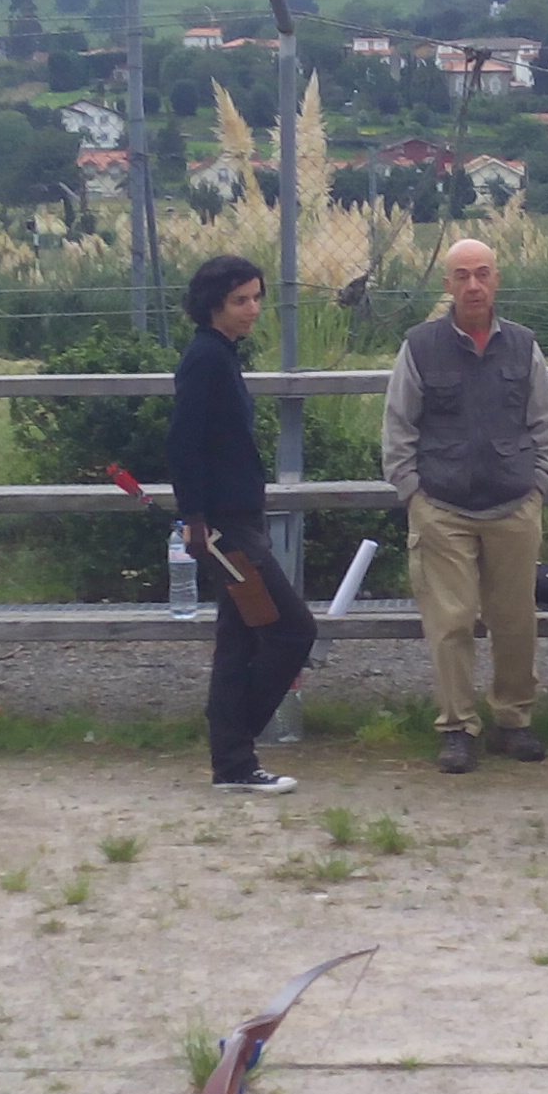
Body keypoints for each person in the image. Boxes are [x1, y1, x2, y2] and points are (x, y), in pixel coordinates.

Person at [380, 237, 548, 774]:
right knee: (451, 622)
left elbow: (545, 421)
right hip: (442, 507)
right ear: (447, 284)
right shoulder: (419, 346)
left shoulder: (525, 346)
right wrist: (412, 491)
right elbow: (398, 425)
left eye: (483, 273)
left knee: (515, 620)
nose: (474, 285)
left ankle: (514, 720)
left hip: (513, 503)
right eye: (462, 275)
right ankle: (457, 728)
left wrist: (539, 484)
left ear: (497, 280)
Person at [168, 253, 313, 795]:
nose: (252, 309)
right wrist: (195, 518)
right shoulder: (206, 359)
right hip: (226, 528)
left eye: (256, 298)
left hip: (236, 519)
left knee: (239, 640)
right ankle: (233, 749)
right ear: (213, 305)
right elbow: (183, 443)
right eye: (240, 300)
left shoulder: (220, 354)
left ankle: (232, 760)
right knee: (291, 630)